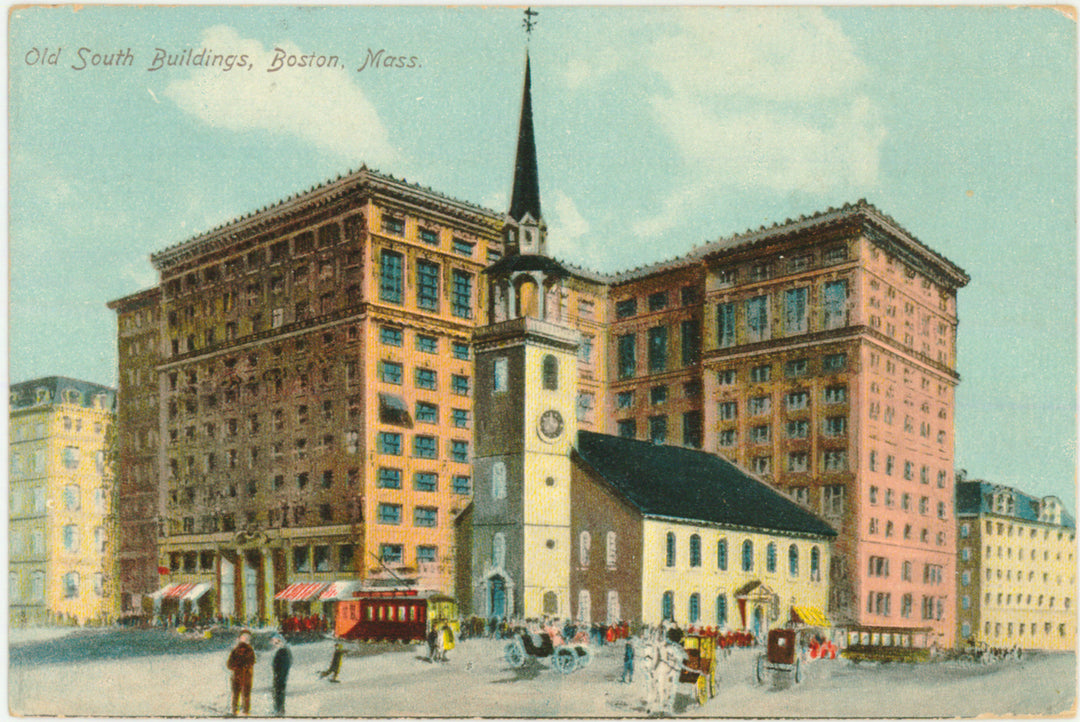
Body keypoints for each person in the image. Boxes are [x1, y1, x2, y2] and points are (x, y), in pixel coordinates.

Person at [226, 630, 256, 716]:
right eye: (244, 637)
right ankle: (236, 711)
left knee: (245, 695)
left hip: (246, 676)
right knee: (236, 694)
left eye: (247, 637)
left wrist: (243, 667)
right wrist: (235, 668)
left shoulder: (249, 650)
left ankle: (245, 712)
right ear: (240, 638)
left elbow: (252, 661)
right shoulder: (235, 650)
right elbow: (229, 664)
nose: (245, 639)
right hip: (238, 676)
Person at [270, 634, 292, 716]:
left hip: (280, 676)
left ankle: (279, 710)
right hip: (278, 676)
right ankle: (277, 709)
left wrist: (280, 676)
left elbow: (285, 666)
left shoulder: (283, 652)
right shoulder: (280, 651)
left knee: (279, 693)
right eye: (274, 642)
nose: (274, 644)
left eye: (276, 642)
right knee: (277, 693)